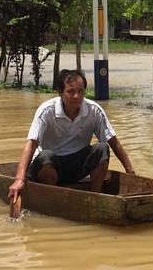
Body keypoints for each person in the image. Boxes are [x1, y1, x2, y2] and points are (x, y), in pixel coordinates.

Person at [7, 68, 135, 204]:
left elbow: (112, 141)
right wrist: (19, 180)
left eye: (80, 91)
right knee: (46, 156)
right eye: (71, 92)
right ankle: (53, 200)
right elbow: (31, 143)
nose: (76, 96)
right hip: (49, 168)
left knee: (101, 149)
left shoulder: (94, 110)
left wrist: (130, 172)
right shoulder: (46, 110)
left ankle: (93, 198)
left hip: (76, 167)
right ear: (60, 92)